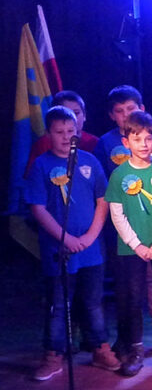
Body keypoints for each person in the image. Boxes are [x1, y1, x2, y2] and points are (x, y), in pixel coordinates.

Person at [27, 106, 120, 381]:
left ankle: (100, 347)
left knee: (93, 302)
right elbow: (38, 207)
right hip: (58, 250)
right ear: (49, 134)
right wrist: (65, 238)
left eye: (71, 131)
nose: (67, 137)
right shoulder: (41, 165)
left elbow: (103, 200)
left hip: (92, 250)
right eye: (60, 132)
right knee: (58, 305)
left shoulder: (90, 161)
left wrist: (90, 236)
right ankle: (53, 355)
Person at [92, 85, 152, 357]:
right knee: (128, 288)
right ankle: (128, 339)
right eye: (120, 111)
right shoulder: (105, 143)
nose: (126, 114)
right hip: (126, 228)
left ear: (142, 109)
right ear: (112, 115)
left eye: (131, 108)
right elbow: (105, 186)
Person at [105, 111, 152, 376]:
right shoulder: (119, 175)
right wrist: (136, 244)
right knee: (133, 299)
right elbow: (117, 214)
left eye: (148, 138)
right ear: (126, 142)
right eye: (137, 139)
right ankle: (135, 349)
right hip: (131, 250)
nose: (144, 144)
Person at [25, 90, 99, 178]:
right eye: (66, 114)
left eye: (76, 113)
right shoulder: (43, 144)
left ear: (84, 115)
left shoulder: (95, 143)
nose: (72, 118)